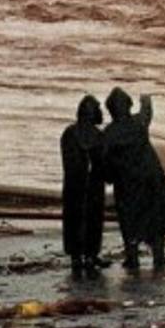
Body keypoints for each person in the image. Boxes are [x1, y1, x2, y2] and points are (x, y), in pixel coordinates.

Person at [102, 88, 165, 271]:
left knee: (129, 222)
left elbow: (105, 161)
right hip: (150, 179)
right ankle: (159, 255)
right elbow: (147, 110)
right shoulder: (138, 122)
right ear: (128, 105)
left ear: (111, 110)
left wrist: (108, 178)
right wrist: (146, 96)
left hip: (126, 184)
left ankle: (132, 258)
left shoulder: (109, 133)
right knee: (155, 220)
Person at [61, 95, 109, 275]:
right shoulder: (98, 136)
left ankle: (77, 257)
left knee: (74, 218)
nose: (100, 113)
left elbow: (68, 162)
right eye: (97, 109)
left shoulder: (70, 133)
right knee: (92, 219)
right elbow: (103, 162)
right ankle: (89, 256)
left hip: (75, 184)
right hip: (92, 185)